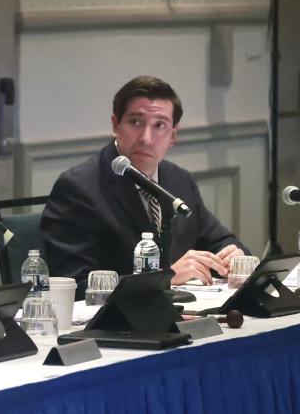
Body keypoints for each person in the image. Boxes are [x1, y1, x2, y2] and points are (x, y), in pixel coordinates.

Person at [41, 76, 247, 297]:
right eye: (135, 122)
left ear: (172, 136)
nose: (146, 138)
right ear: (115, 125)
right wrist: (163, 277)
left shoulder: (179, 180)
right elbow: (75, 284)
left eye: (159, 125)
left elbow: (218, 240)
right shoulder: (78, 188)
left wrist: (234, 258)